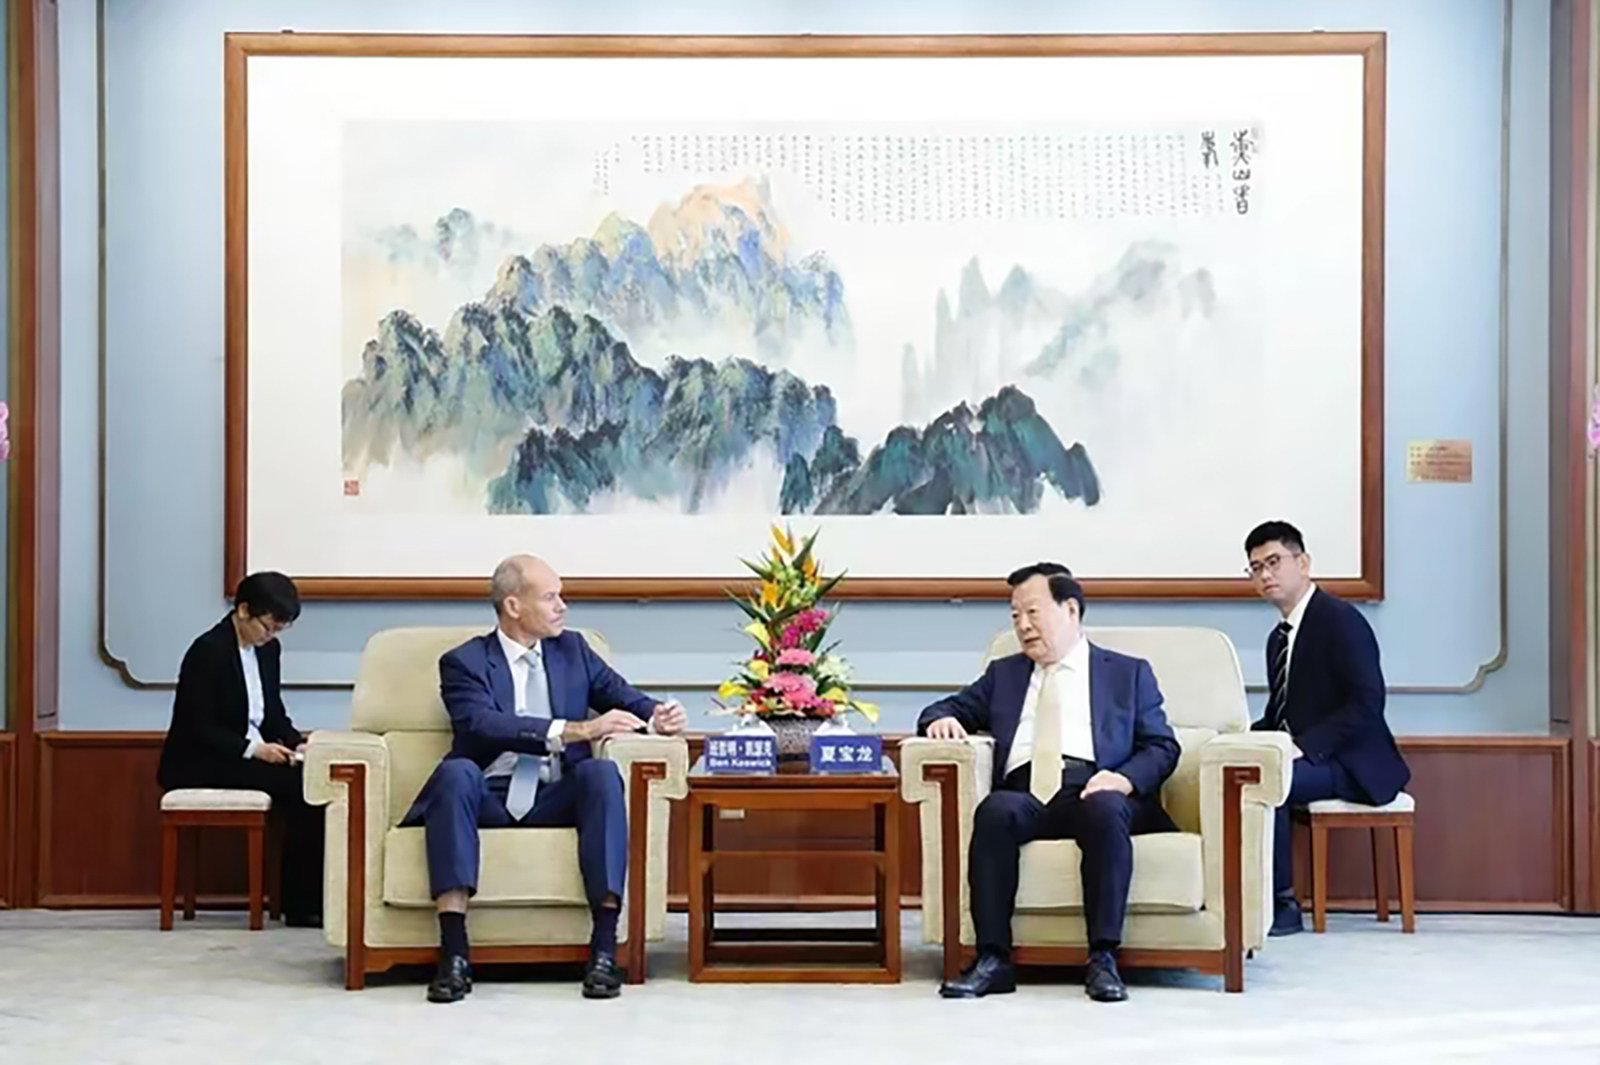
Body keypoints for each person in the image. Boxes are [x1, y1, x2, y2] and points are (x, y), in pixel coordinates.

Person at [401, 554, 688, 1004]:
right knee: (454, 773)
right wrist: (575, 730)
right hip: (488, 797)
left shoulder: (572, 650)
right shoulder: (464, 661)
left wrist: (658, 716)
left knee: (600, 772)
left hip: (555, 794)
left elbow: (623, 696)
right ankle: (454, 955)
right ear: (513, 606)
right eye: (551, 597)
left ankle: (603, 951)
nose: (563, 606)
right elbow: (480, 725)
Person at [919, 562, 1181, 1003]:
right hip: (1026, 793)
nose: (1022, 626)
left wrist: (1122, 780)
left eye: (1033, 612)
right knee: (995, 810)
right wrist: (941, 719)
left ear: (1071, 610)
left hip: (1095, 787)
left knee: (1104, 808)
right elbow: (943, 707)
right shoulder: (1005, 674)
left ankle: (1102, 958)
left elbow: (1162, 746)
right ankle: (993, 959)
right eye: (1015, 616)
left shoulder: (1127, 673)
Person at [1244, 520, 1410, 936]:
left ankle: (1282, 904)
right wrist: (1240, 739)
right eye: (1255, 568)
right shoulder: (1278, 637)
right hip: (1315, 757)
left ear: (1304, 563)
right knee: (1242, 771)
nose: (1265, 575)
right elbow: (1282, 712)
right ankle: (1247, 897)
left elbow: (1368, 702)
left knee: (1271, 780)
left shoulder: (1340, 620)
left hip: (1353, 763)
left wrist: (1303, 746)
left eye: (1274, 562)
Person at [156, 571, 324, 927]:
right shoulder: (208, 650)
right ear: (244, 610)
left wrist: (298, 742)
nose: (272, 635)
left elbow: (273, 713)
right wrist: (255, 750)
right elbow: (198, 727)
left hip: (245, 753)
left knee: (315, 781)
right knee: (299, 788)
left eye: (280, 629)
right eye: (269, 625)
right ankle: (302, 906)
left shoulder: (268, 651)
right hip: (202, 760)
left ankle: (311, 899)